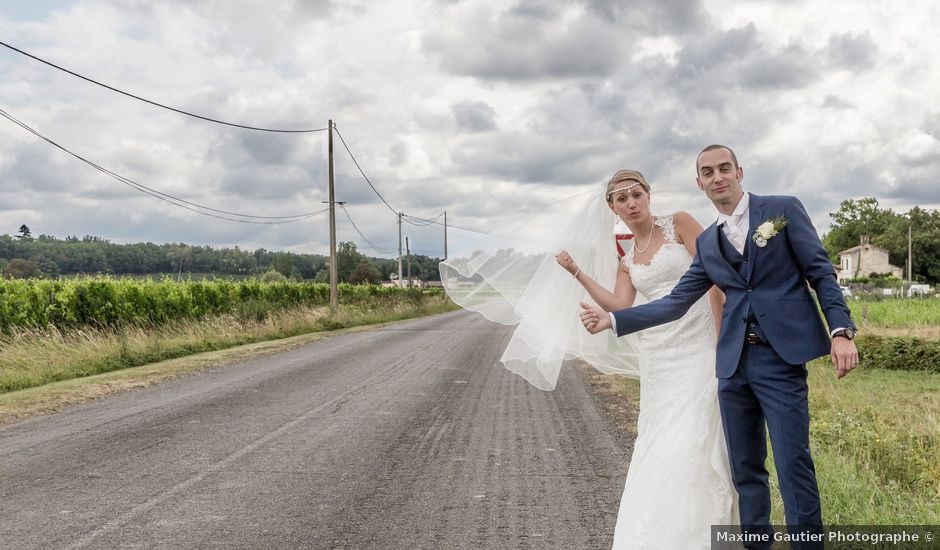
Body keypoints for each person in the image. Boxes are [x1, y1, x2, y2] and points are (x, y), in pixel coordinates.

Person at [580, 145, 859, 550]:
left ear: (739, 172)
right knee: (745, 472)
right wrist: (615, 319)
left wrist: (841, 331)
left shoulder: (780, 210)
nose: (717, 178)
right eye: (707, 173)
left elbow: (821, 273)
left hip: (779, 360)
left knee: (792, 464)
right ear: (700, 183)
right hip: (730, 366)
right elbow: (675, 302)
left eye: (724, 169)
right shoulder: (708, 242)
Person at [556, 169, 738, 549]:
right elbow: (621, 305)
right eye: (621, 199)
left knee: (696, 439)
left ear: (649, 195)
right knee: (660, 442)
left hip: (700, 347)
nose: (631, 203)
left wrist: (724, 342)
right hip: (658, 358)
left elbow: (721, 281)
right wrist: (577, 273)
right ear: (612, 208)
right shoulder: (628, 259)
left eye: (636, 194)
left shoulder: (682, 224)